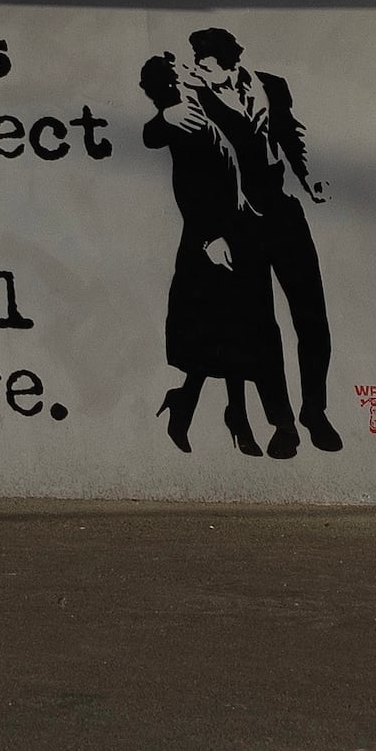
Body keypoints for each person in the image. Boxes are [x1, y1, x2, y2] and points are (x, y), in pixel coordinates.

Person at [187, 26, 342, 454]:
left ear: (229, 61)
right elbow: (196, 171)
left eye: (208, 64)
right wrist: (210, 235)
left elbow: (290, 134)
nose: (201, 71)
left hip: (283, 211)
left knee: (311, 317)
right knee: (260, 326)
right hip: (238, 222)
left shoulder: (271, 86)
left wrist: (309, 179)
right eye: (198, 64)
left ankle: (315, 410)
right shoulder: (196, 101)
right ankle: (283, 422)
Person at [137, 52, 286, 458]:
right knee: (216, 329)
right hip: (209, 240)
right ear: (172, 83)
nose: (191, 70)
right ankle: (227, 414)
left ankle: (206, 408)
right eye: (183, 69)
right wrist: (208, 239)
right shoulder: (181, 116)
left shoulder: (203, 109)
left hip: (234, 232)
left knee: (231, 329)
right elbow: (186, 184)